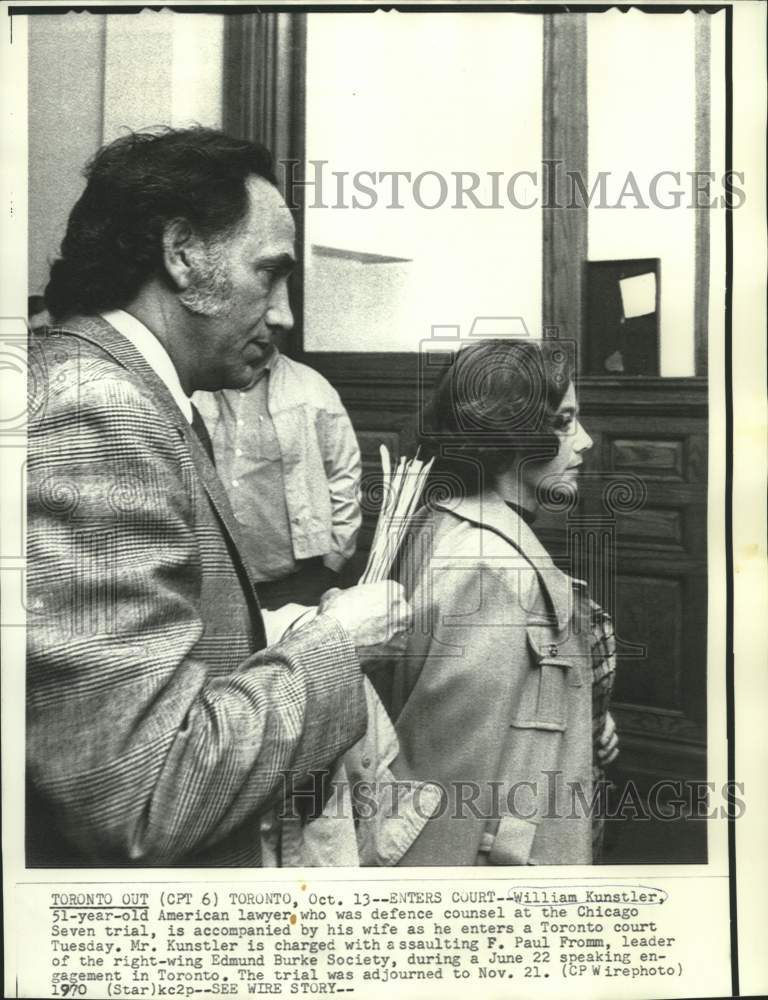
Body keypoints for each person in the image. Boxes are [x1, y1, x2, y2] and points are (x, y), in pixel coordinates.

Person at [26, 127, 412, 867]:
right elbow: (141, 795)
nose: (285, 315)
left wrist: (264, 629)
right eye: (269, 274)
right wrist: (337, 649)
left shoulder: (123, 388)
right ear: (182, 254)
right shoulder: (99, 409)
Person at [385, 338, 619, 866]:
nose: (583, 441)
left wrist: (588, 714)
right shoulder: (488, 572)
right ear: (512, 434)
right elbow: (442, 791)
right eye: (563, 422)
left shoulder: (443, 520)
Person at [193, 341, 362, 610]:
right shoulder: (195, 385)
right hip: (212, 578)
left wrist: (333, 561)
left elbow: (344, 477)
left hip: (293, 580)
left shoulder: (312, 387)